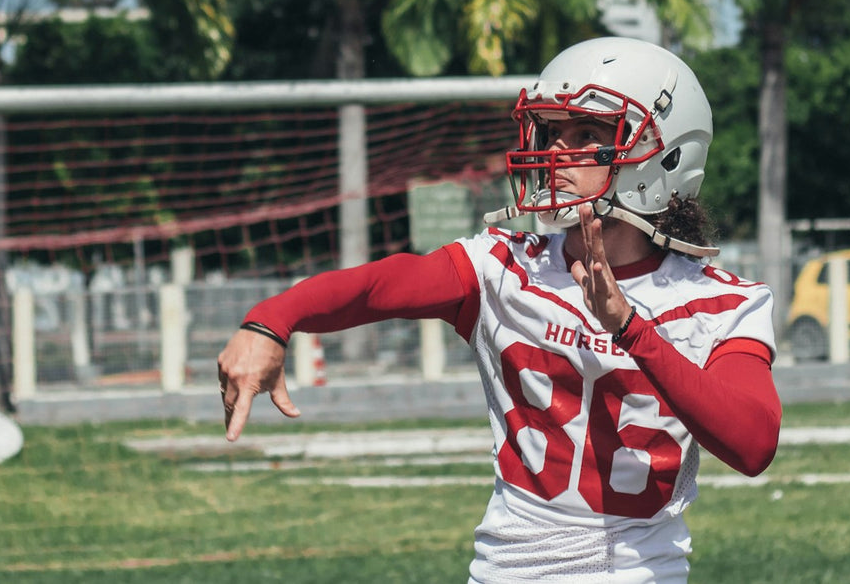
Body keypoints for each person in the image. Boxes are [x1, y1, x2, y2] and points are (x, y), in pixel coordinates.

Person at [217, 37, 780, 583]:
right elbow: (383, 284)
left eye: (586, 133)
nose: (557, 152)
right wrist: (271, 319)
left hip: (637, 572)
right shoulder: (505, 266)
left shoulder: (721, 303)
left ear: (666, 153)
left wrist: (629, 329)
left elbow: (753, 445)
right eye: (552, 132)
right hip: (506, 569)